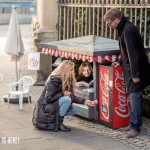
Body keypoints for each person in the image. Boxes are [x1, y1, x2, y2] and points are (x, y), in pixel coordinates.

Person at [104, 8, 150, 138]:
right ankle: (132, 124)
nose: (109, 26)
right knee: (132, 98)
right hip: (132, 70)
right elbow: (125, 51)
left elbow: (133, 55)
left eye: (109, 23)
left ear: (117, 19)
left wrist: (135, 75)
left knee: (135, 99)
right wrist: (119, 62)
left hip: (136, 72)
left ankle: (135, 128)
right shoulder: (124, 28)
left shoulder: (127, 30)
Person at [32, 60, 98, 132]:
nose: (72, 71)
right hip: (45, 107)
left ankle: (56, 118)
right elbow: (48, 99)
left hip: (53, 105)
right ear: (65, 70)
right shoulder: (53, 80)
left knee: (74, 109)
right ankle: (60, 123)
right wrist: (63, 94)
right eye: (71, 69)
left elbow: (72, 96)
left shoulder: (68, 80)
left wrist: (86, 102)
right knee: (67, 99)